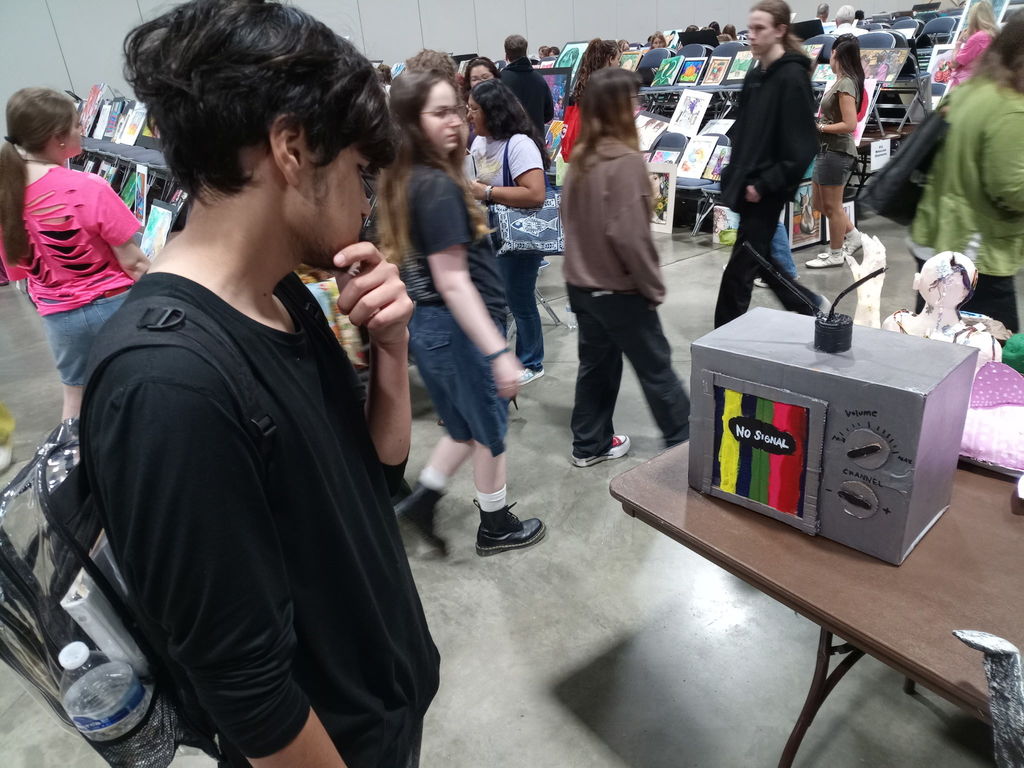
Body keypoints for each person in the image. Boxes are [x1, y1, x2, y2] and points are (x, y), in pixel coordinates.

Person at [87, 2, 441, 766]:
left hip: (381, 713)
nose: (364, 200)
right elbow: (247, 690)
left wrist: (390, 345)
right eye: (357, 170)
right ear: (290, 146)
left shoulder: (282, 297)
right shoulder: (167, 386)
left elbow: (376, 471)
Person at [381, 70, 546, 556]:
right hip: (457, 331)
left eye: (456, 109)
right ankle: (495, 525)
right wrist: (497, 352)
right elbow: (453, 280)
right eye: (439, 113)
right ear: (412, 124)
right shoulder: (436, 187)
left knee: (464, 427)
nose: (454, 121)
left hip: (434, 331)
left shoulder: (413, 179)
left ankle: (423, 502)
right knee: (489, 433)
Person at [562, 67, 690, 466]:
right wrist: (652, 287)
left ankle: (590, 444)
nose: (639, 107)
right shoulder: (627, 162)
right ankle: (689, 447)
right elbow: (631, 238)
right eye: (634, 101)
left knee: (596, 366)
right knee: (656, 368)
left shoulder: (580, 158)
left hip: (580, 285)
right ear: (620, 108)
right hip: (618, 289)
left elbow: (568, 217)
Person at [0, 87, 148, 420]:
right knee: (144, 384)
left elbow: (20, 275)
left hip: (58, 318)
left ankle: (74, 464)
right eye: (77, 124)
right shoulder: (88, 186)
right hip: (116, 307)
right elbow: (134, 262)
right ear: (58, 138)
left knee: (76, 398)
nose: (83, 130)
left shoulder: (5, 195)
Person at [911, 12, 1024, 333]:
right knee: (999, 352)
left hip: (936, 236)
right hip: (975, 252)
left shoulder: (970, 91)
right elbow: (1011, 187)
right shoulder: (1012, 107)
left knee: (934, 338)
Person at [715, 0, 823, 328]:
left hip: (765, 189)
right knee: (761, 260)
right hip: (746, 184)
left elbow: (803, 145)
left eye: (760, 29)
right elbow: (746, 132)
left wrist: (764, 184)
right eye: (750, 28)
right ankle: (810, 305)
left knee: (740, 269)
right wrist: (733, 174)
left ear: (780, 31)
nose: (752, 35)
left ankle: (721, 337)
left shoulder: (792, 77)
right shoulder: (755, 76)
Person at [468, 79, 549, 383]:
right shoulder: (478, 142)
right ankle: (498, 363)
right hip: (486, 235)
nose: (469, 116)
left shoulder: (519, 145)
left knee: (518, 300)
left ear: (493, 111)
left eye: (474, 109)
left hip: (517, 237)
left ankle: (531, 362)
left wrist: (486, 192)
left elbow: (535, 194)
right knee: (493, 302)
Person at [806, 35, 865, 269]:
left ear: (836, 55)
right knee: (821, 204)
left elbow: (850, 124)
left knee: (833, 207)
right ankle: (853, 236)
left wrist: (820, 127)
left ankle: (836, 253)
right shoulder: (840, 82)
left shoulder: (846, 84)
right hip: (826, 148)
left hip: (837, 150)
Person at [562, 38, 620, 161]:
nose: (618, 64)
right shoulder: (607, 89)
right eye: (618, 59)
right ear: (610, 59)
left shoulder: (583, 84)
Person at [498, 34, 554, 136]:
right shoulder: (540, 79)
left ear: (506, 55)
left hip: (510, 145)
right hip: (537, 143)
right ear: (526, 53)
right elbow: (549, 115)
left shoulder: (499, 81)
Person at [949, 0, 998, 89]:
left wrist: (958, 44)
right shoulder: (995, 35)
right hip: (985, 82)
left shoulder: (977, 38)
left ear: (973, 18)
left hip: (966, 84)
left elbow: (954, 64)